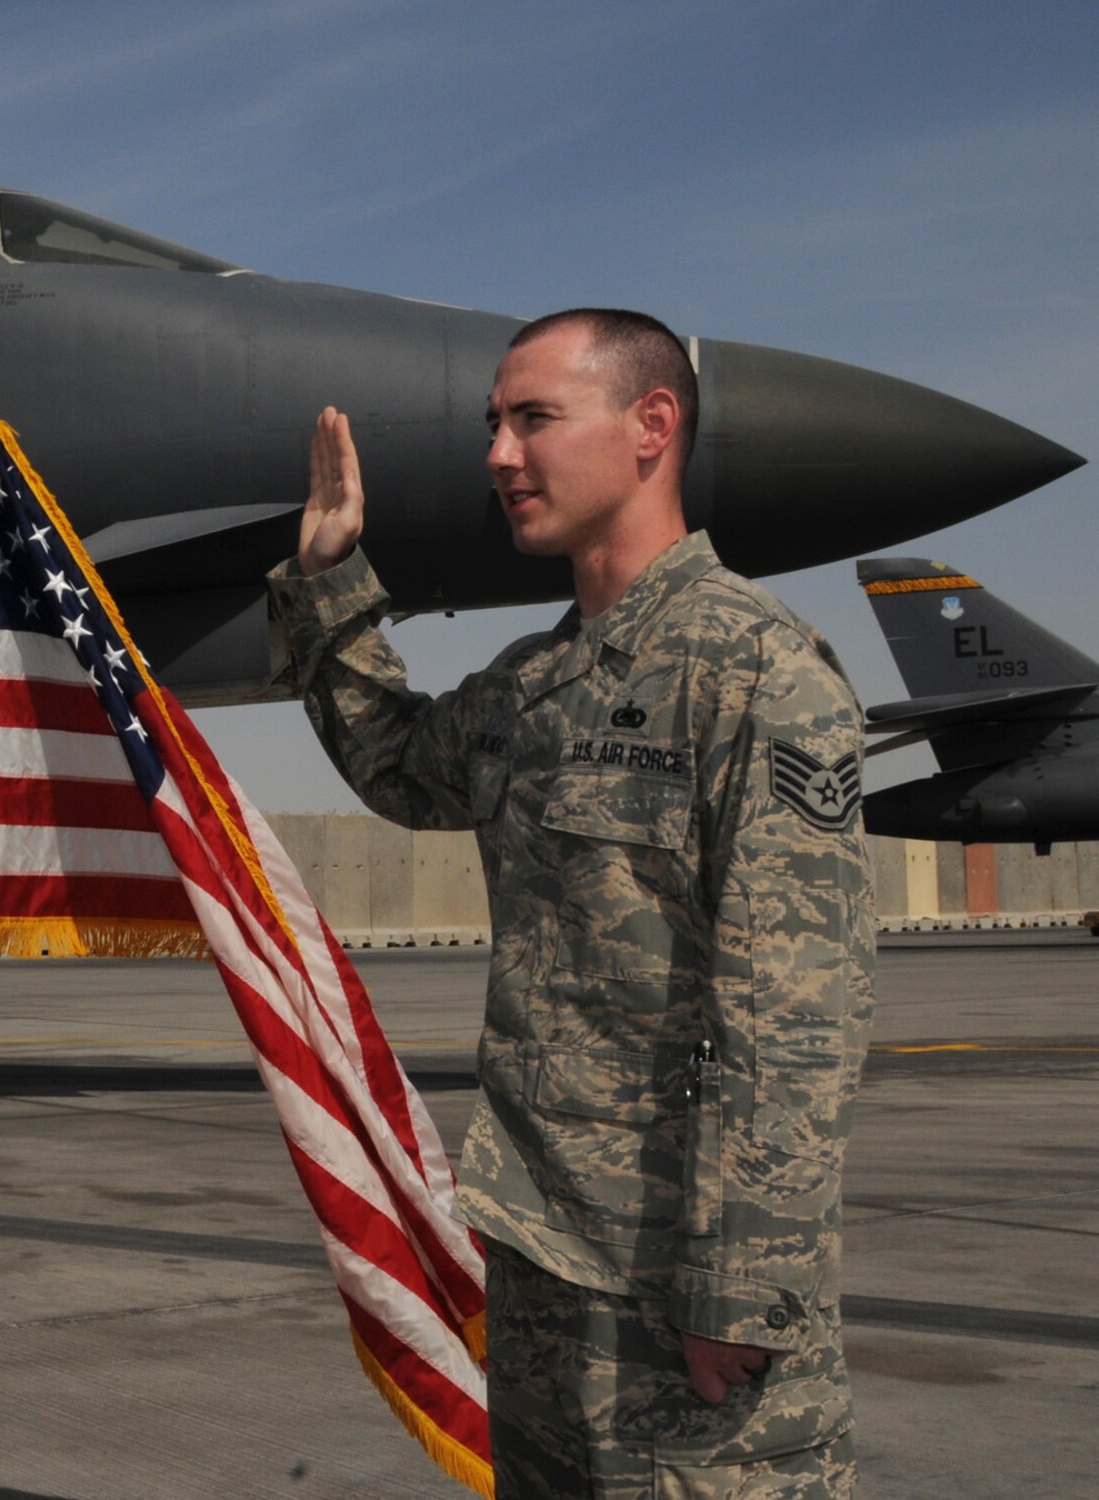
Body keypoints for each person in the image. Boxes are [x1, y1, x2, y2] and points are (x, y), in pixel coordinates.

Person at [266, 309, 873, 1496]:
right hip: (538, 1258)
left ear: (651, 426)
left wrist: (741, 1284)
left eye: (533, 418)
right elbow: (396, 763)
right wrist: (329, 582)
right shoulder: (534, 685)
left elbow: (793, 1013)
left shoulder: (755, 669)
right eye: (492, 422)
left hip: (677, 1285)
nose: (498, 454)